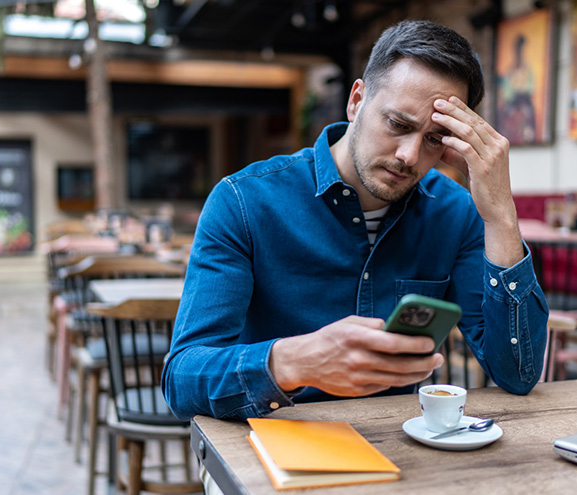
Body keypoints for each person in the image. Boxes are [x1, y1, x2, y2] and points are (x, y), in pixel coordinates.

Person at [162, 19, 549, 423]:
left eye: (434, 139)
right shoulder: (244, 201)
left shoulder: (455, 213)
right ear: (356, 100)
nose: (410, 156)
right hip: (266, 444)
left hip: (398, 448)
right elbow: (182, 382)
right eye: (398, 125)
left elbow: (518, 375)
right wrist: (294, 362)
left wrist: (501, 215)